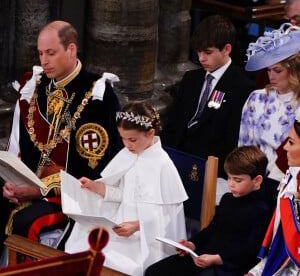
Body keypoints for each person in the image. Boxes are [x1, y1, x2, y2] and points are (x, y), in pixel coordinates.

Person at [0, 20, 121, 249]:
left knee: (26, 221)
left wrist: (39, 191)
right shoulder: (35, 86)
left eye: (51, 53)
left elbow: (94, 171)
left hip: (70, 195)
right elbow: (18, 151)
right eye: (40, 53)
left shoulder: (97, 96)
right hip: (28, 185)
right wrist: (11, 184)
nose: (44, 61)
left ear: (71, 49)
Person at [64, 101, 188, 276]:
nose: (127, 145)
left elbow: (168, 216)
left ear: (151, 133)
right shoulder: (127, 155)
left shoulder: (162, 164)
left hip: (145, 239)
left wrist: (138, 226)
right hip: (119, 227)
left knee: (113, 263)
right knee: (79, 251)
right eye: (123, 138)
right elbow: (125, 194)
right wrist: (97, 187)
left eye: (132, 139)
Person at [145, 145, 273, 276]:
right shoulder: (227, 199)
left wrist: (217, 259)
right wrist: (192, 245)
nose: (231, 184)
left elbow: (249, 251)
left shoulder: (262, 211)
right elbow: (211, 230)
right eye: (229, 178)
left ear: (257, 180)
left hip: (228, 266)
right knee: (154, 272)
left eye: (237, 180)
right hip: (204, 257)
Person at [161, 14, 254, 179]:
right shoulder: (191, 79)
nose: (201, 58)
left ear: (226, 49)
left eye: (208, 52)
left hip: (210, 170)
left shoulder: (242, 88)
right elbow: (175, 123)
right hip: (175, 161)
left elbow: (232, 139)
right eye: (198, 51)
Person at [239, 23, 300, 208]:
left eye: (278, 70)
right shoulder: (256, 99)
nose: (271, 76)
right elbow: (244, 147)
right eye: (268, 70)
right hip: (254, 183)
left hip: (289, 186)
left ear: (294, 71)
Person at [245, 118, 300, 275]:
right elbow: (280, 242)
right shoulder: (291, 181)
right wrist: (256, 272)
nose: (285, 148)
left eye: (291, 142)